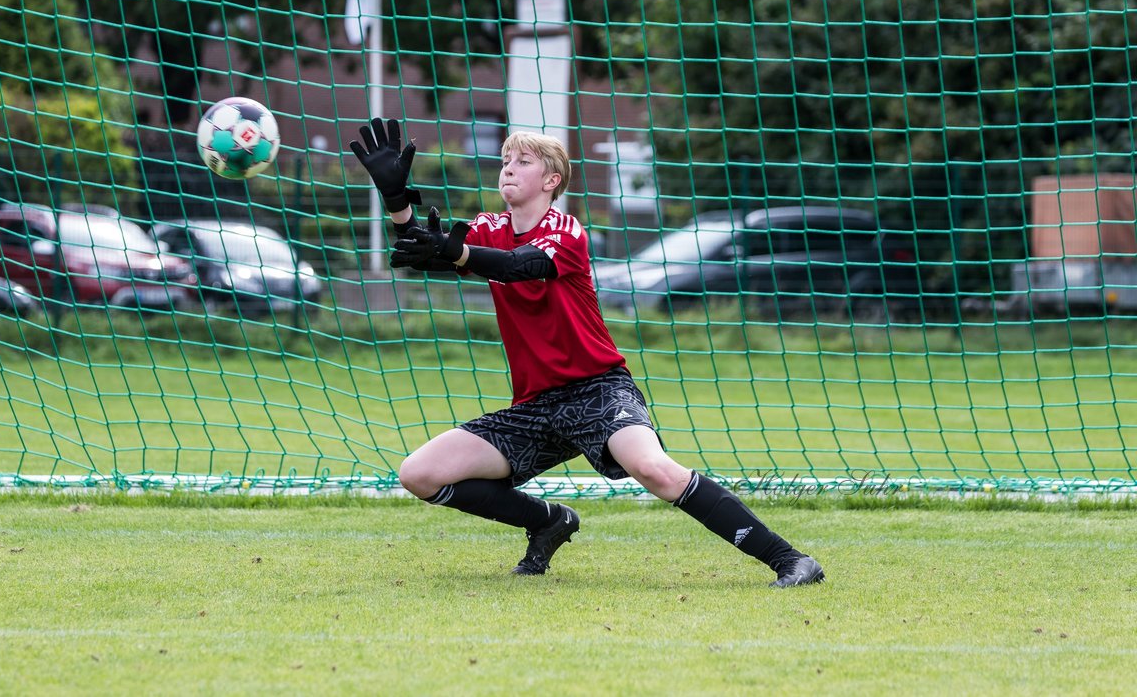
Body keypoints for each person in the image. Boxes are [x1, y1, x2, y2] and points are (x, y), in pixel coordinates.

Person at [349, 117, 824, 587]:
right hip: (537, 406)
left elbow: (522, 265)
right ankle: (548, 521)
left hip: (598, 390)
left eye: (523, 161)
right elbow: (420, 248)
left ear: (552, 180)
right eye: (505, 160)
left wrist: (456, 254)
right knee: (420, 474)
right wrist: (396, 199)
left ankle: (790, 559)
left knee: (654, 470)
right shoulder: (489, 227)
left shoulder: (567, 229)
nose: (508, 168)